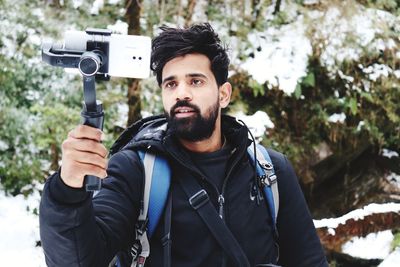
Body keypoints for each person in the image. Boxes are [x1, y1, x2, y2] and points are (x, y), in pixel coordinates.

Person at [39, 23, 328, 267]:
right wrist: (67, 190)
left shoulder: (270, 171)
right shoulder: (136, 170)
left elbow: (309, 260)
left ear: (223, 94)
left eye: (196, 81)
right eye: (171, 84)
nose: (182, 93)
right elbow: (79, 260)